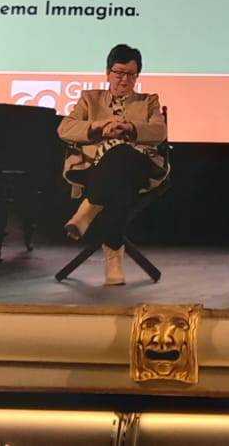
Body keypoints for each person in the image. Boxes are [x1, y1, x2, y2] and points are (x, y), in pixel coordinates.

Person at [56, 43, 169, 286]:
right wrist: (98, 126)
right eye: (119, 73)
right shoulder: (90, 99)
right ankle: (113, 261)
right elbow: (64, 129)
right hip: (95, 168)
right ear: (108, 73)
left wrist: (129, 128)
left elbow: (159, 131)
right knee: (121, 188)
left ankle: (89, 208)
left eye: (131, 74)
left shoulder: (148, 101)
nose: (124, 80)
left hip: (139, 166)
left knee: (122, 154)